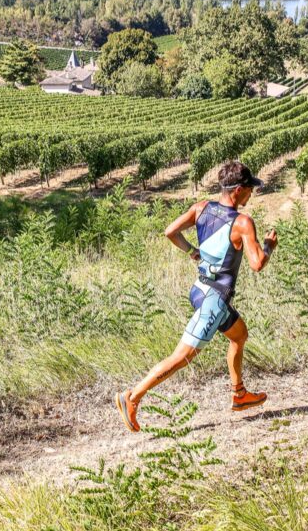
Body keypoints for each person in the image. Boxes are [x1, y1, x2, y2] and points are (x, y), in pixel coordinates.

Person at [116, 161, 278, 432]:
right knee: (183, 356)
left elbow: (170, 231)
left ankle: (239, 394)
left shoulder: (201, 207)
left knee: (239, 335)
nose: (251, 194)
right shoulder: (242, 222)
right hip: (214, 299)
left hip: (200, 289)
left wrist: (193, 252)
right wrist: (268, 247)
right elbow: (257, 264)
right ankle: (132, 396)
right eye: (249, 189)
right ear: (238, 190)